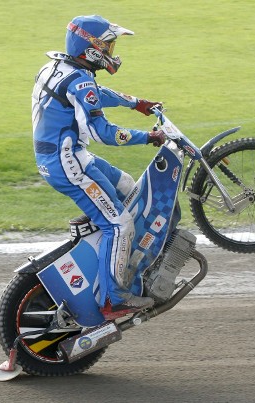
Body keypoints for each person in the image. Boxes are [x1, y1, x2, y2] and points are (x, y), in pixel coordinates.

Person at [31, 15, 165, 320]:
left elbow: (93, 94)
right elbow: (103, 132)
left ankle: (118, 257)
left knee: (129, 186)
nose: (111, 50)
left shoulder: (59, 68)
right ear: (90, 48)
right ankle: (113, 299)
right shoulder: (80, 79)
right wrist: (149, 137)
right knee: (119, 223)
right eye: (106, 44)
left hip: (64, 157)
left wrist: (136, 102)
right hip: (69, 164)